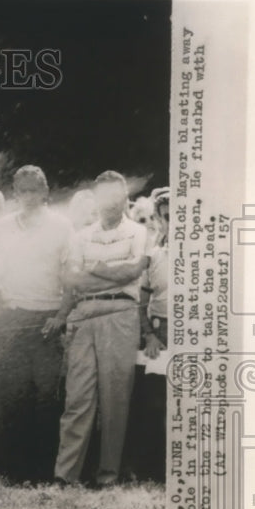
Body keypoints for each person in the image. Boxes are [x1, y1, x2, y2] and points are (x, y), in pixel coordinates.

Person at [54, 171, 149, 488]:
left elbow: (133, 271)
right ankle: (65, 476)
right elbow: (72, 280)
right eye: (103, 197)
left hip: (121, 312)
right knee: (77, 399)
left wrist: (93, 269)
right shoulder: (80, 235)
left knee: (115, 397)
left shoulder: (138, 232)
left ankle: (107, 476)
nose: (109, 204)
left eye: (115, 197)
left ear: (125, 198)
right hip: (84, 313)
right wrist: (111, 272)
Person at [0, 166, 73, 483]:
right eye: (22, 190)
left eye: (34, 190)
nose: (28, 196)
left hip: (47, 318)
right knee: (13, 394)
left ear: (45, 191)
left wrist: (61, 316)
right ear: (15, 193)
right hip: (13, 317)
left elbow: (71, 277)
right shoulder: (3, 226)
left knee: (47, 396)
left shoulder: (62, 226)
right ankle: (14, 470)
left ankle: (43, 471)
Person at [123, 188, 169, 483]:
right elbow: (140, 301)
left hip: (197, 335)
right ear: (159, 219)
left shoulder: (209, 254)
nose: (177, 222)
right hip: (160, 333)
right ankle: (152, 469)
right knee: (154, 402)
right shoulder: (153, 256)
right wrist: (150, 335)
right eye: (168, 217)